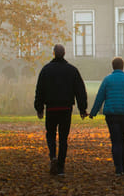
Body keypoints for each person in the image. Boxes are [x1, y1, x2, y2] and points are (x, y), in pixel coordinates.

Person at [34, 43, 88, 176]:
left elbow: (40, 90)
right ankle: (61, 167)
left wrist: (39, 108)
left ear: (53, 53)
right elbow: (80, 91)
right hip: (66, 108)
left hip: (51, 108)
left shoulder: (46, 70)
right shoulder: (72, 70)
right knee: (63, 138)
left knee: (51, 134)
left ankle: (53, 156)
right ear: (64, 54)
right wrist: (82, 108)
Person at [89, 57, 124, 176]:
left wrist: (93, 112)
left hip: (112, 115)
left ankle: (118, 168)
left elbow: (100, 97)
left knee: (115, 141)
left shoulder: (107, 80)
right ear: (123, 66)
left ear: (113, 66)